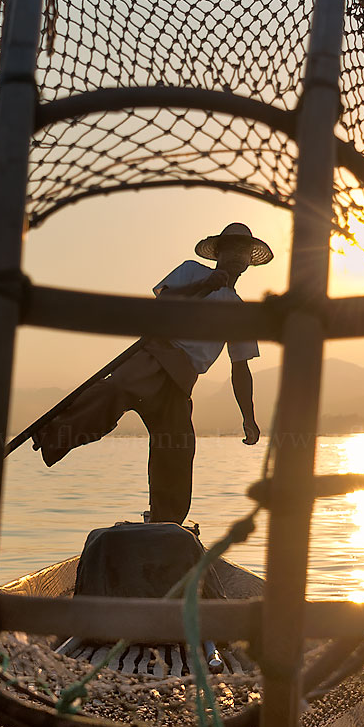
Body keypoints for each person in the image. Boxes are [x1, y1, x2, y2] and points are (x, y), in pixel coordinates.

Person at [31, 222, 272, 524]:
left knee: (177, 451)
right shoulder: (192, 272)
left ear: (250, 259)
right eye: (232, 248)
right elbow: (164, 302)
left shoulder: (240, 312)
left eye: (244, 250)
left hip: (183, 381)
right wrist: (205, 285)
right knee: (116, 391)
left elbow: (241, 368)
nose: (238, 254)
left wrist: (248, 417)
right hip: (157, 355)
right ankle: (53, 432)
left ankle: (164, 524)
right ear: (219, 253)